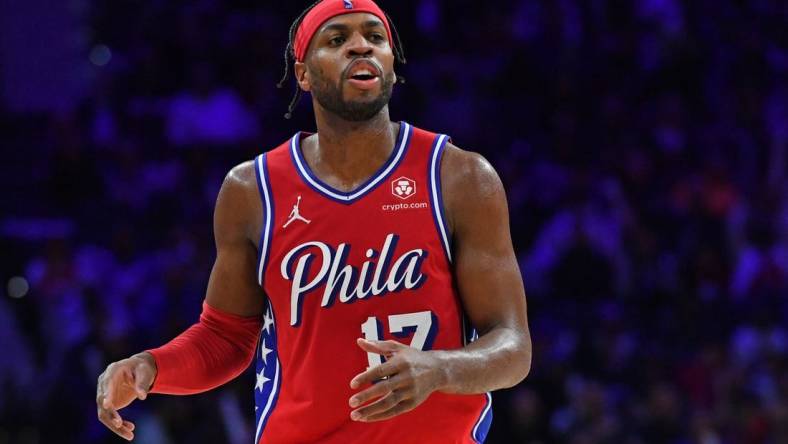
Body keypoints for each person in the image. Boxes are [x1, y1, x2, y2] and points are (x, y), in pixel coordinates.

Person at [96, 1, 532, 442]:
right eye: (338, 40)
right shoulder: (253, 190)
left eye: (374, 37)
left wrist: (440, 368)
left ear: (392, 67)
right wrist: (150, 367)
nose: (361, 46)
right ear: (303, 74)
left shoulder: (460, 177)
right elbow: (226, 337)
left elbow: (512, 346)